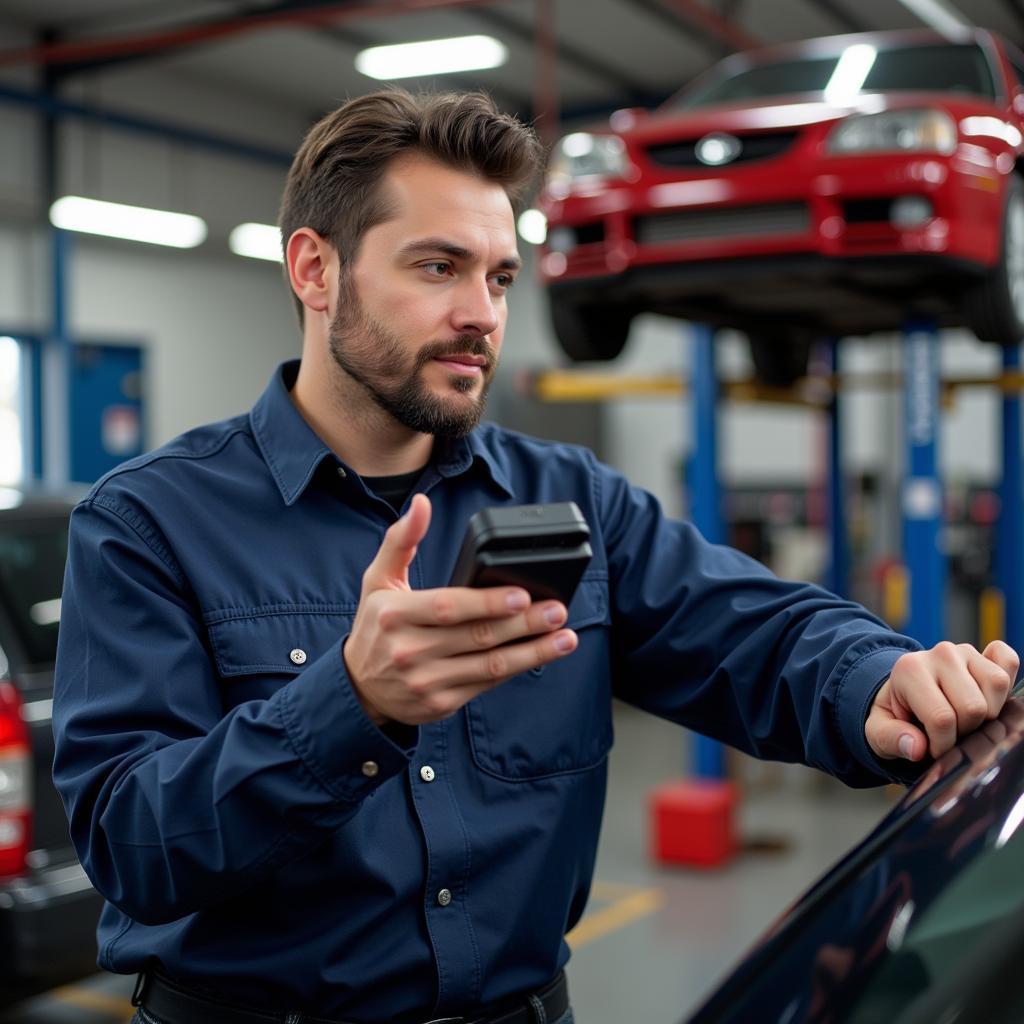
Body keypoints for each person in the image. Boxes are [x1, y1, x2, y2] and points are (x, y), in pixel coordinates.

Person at [52, 88, 1017, 1024]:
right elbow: (132, 841)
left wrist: (878, 678)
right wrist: (352, 704)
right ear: (315, 269)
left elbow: (751, 632)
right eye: (437, 268)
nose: (483, 312)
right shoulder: (148, 521)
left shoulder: (572, 498)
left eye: (501, 275)